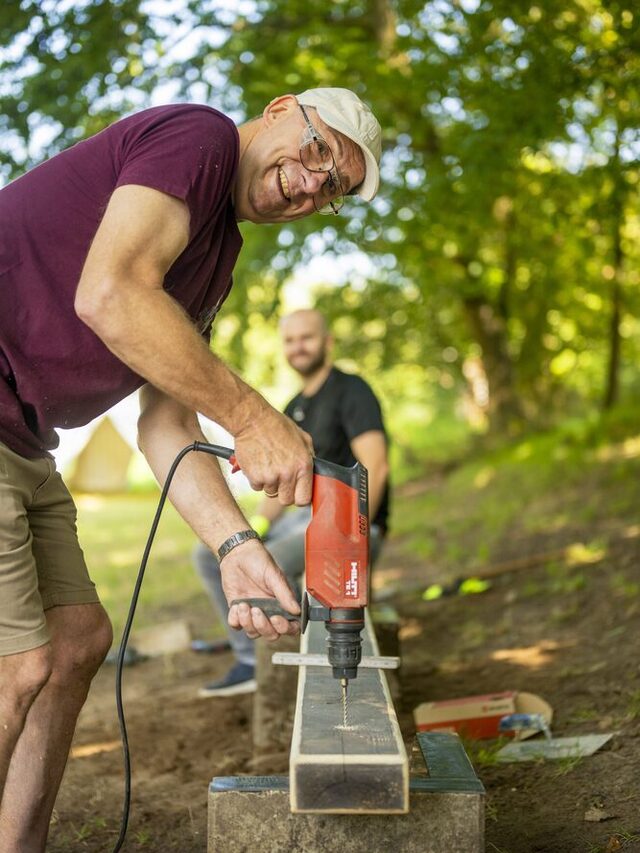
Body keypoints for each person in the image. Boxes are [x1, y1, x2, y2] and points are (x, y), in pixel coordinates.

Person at [0, 88, 381, 849]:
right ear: (282, 109)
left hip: (23, 443)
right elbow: (110, 294)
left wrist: (236, 547)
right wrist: (255, 417)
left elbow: (167, 424)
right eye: (318, 152)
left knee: (78, 642)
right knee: (19, 665)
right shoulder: (197, 137)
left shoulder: (213, 264)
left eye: (332, 188)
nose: (312, 185)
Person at [194, 308, 390, 697]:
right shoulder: (292, 406)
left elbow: (376, 467)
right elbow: (281, 488)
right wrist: (255, 530)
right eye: (290, 340)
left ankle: (306, 671)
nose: (298, 347)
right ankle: (250, 661)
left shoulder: (352, 391)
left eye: (307, 338)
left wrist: (349, 539)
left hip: (351, 527)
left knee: (273, 563)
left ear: (327, 342)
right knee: (210, 554)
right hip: (301, 520)